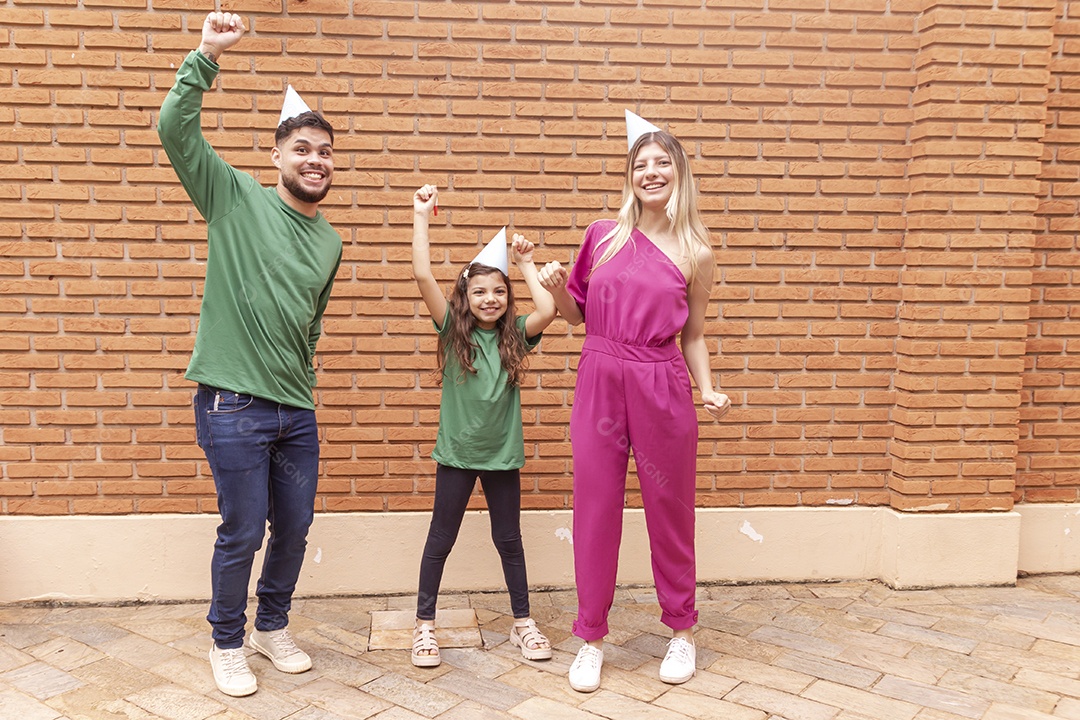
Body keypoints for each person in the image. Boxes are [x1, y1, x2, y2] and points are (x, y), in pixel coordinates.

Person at [157, 12, 342, 697]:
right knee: (242, 529)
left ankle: (271, 626)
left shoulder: (331, 242)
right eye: (302, 149)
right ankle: (227, 641)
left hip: (296, 409)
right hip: (232, 402)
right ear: (277, 156)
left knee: (294, 526)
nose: (315, 160)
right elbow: (175, 131)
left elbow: (310, 322)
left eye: (324, 151)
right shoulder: (233, 197)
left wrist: (302, 376)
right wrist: (205, 55)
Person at [538, 115, 731, 693]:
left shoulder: (696, 250)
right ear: (630, 175)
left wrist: (707, 387)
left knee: (670, 510)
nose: (651, 172)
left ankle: (682, 631)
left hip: (661, 379)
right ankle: (590, 637)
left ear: (679, 173)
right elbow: (576, 316)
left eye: (661, 162)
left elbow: (692, 333)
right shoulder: (602, 235)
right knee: (595, 508)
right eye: (640, 164)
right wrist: (551, 288)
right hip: (600, 374)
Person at [409, 184, 558, 667]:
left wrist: (527, 264)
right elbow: (421, 274)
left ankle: (522, 623)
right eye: (479, 291)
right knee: (440, 538)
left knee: (508, 539)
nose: (490, 299)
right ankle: (425, 627)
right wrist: (421, 216)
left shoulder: (516, 335)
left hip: (501, 458)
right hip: (456, 456)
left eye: (498, 292)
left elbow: (550, 310)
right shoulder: (453, 335)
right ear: (465, 298)